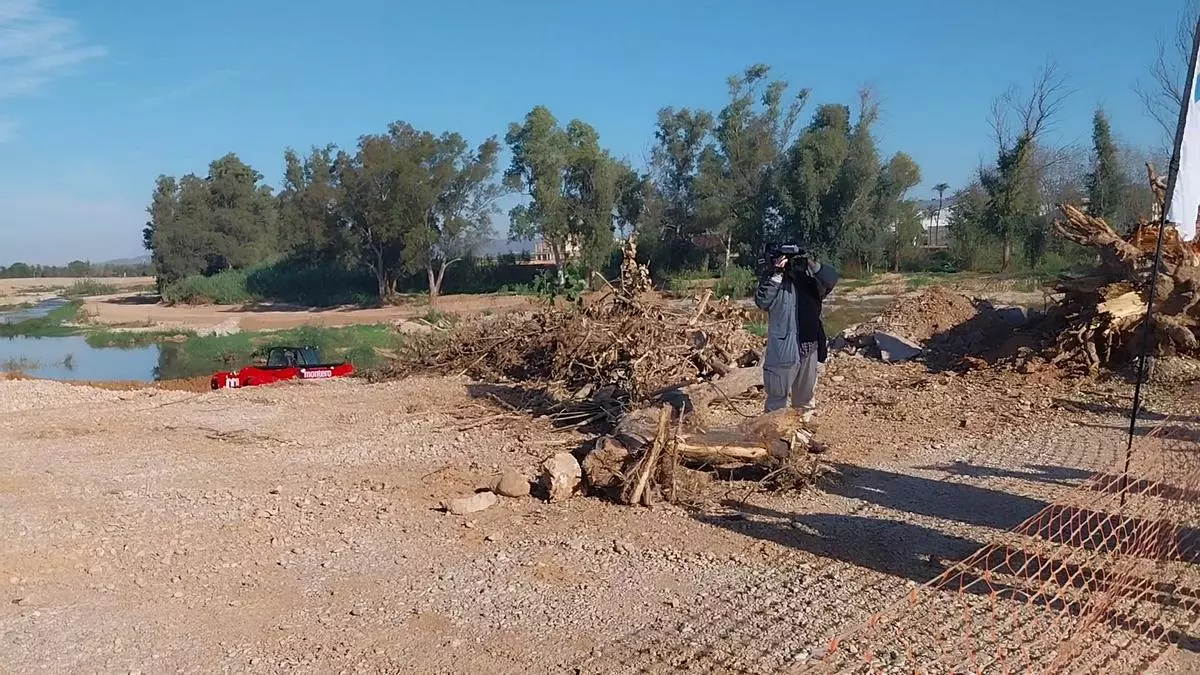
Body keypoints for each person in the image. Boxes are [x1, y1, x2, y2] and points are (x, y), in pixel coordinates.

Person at [754, 249, 839, 419]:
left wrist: (810, 261)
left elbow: (831, 279)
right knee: (777, 401)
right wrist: (777, 272)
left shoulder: (811, 281)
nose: (793, 264)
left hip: (810, 348)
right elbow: (762, 301)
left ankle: (802, 436)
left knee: (805, 400)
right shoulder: (774, 281)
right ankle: (773, 438)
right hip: (783, 350)